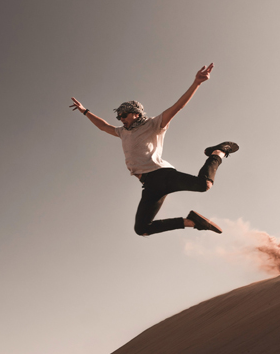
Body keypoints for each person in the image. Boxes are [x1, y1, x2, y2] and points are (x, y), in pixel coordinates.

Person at [69, 63, 238, 236]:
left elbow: (177, 106)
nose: (121, 119)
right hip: (149, 185)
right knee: (142, 229)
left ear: (136, 113)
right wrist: (85, 111)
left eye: (124, 115)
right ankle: (191, 222)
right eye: (118, 116)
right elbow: (103, 126)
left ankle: (219, 152)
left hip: (162, 175)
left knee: (204, 185)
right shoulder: (122, 132)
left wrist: (196, 83)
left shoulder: (154, 124)